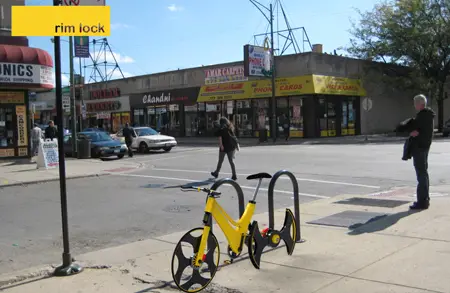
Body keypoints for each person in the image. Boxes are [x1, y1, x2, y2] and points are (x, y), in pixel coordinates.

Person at [399, 94, 435, 210]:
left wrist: (411, 131)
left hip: (420, 148)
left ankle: (422, 201)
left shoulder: (423, 116)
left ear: (420, 104)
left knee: (421, 174)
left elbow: (407, 128)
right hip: (424, 147)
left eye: (415, 103)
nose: (414, 105)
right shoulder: (427, 116)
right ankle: (425, 200)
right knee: (423, 173)